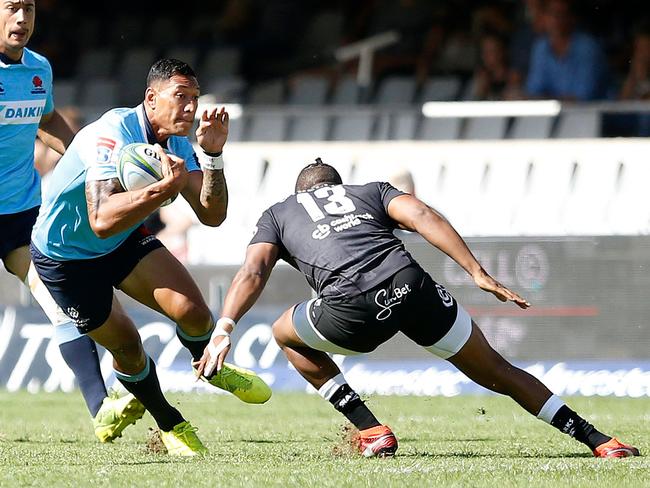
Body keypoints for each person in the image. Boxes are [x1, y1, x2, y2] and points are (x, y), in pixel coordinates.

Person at [196, 159, 640, 459]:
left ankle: (370, 429)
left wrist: (225, 329)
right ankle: (599, 441)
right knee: (498, 371)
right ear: (337, 186)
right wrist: (476, 272)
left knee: (283, 332)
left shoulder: (278, 212)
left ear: (301, 193)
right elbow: (423, 216)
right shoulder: (369, 190)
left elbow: (253, 271)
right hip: (411, 287)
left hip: (351, 308)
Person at [30, 58, 271, 457]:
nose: (191, 108)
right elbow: (102, 218)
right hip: (66, 257)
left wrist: (212, 156)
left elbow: (212, 215)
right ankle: (169, 422)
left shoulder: (176, 141)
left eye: (194, 98)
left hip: (123, 241)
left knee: (196, 314)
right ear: (151, 98)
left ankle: (208, 364)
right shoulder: (109, 135)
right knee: (128, 348)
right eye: (181, 97)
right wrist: (162, 190)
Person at [0, 0, 144, 442]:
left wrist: (95, 160)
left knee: (58, 305)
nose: (22, 19)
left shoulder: (38, 68)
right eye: (11, 8)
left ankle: (101, 410)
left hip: (20, 211)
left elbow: (48, 122)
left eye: (28, 8)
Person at [525, 0, 610, 101]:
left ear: (572, 18)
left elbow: (582, 98)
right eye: (552, 14)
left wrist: (543, 99)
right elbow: (534, 91)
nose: (556, 20)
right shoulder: (541, 47)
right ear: (544, 17)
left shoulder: (587, 48)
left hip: (592, 114)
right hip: (555, 113)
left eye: (561, 14)